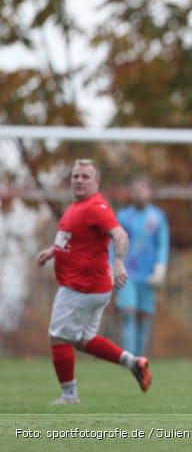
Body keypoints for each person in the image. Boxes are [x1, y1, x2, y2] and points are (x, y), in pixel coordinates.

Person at [35, 159, 152, 405]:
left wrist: (119, 262)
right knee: (82, 339)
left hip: (81, 286)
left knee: (58, 336)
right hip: (92, 287)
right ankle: (133, 362)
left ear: (96, 182)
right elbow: (77, 241)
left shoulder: (96, 207)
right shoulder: (78, 207)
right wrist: (53, 251)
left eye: (85, 177)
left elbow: (120, 235)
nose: (78, 180)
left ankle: (69, 395)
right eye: (75, 176)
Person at [112, 177, 169, 357]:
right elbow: (112, 243)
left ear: (149, 192)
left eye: (142, 190)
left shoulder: (157, 217)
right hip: (126, 273)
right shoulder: (123, 216)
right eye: (135, 190)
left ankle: (139, 358)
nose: (139, 194)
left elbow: (162, 244)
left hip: (148, 275)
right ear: (131, 193)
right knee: (128, 312)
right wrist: (112, 265)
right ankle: (128, 357)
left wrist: (160, 267)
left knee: (144, 316)